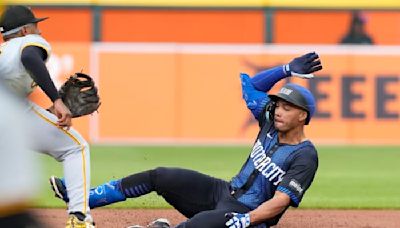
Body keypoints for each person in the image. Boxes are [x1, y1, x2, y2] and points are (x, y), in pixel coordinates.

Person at [50, 53, 322, 228]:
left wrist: (246, 220)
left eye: (287, 107)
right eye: (278, 104)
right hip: (223, 193)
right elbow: (250, 86)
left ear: (303, 116)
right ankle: (81, 200)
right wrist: (285, 69)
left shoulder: (304, 155)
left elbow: (280, 201)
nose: (278, 110)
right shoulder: (270, 121)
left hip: (247, 215)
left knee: (194, 227)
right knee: (161, 176)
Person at [0, 5, 94, 227]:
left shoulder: (4, 51)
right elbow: (30, 57)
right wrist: (57, 99)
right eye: (36, 25)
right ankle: (79, 218)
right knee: (75, 147)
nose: (39, 31)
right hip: (9, 109)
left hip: (11, 107)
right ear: (24, 31)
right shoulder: (29, 42)